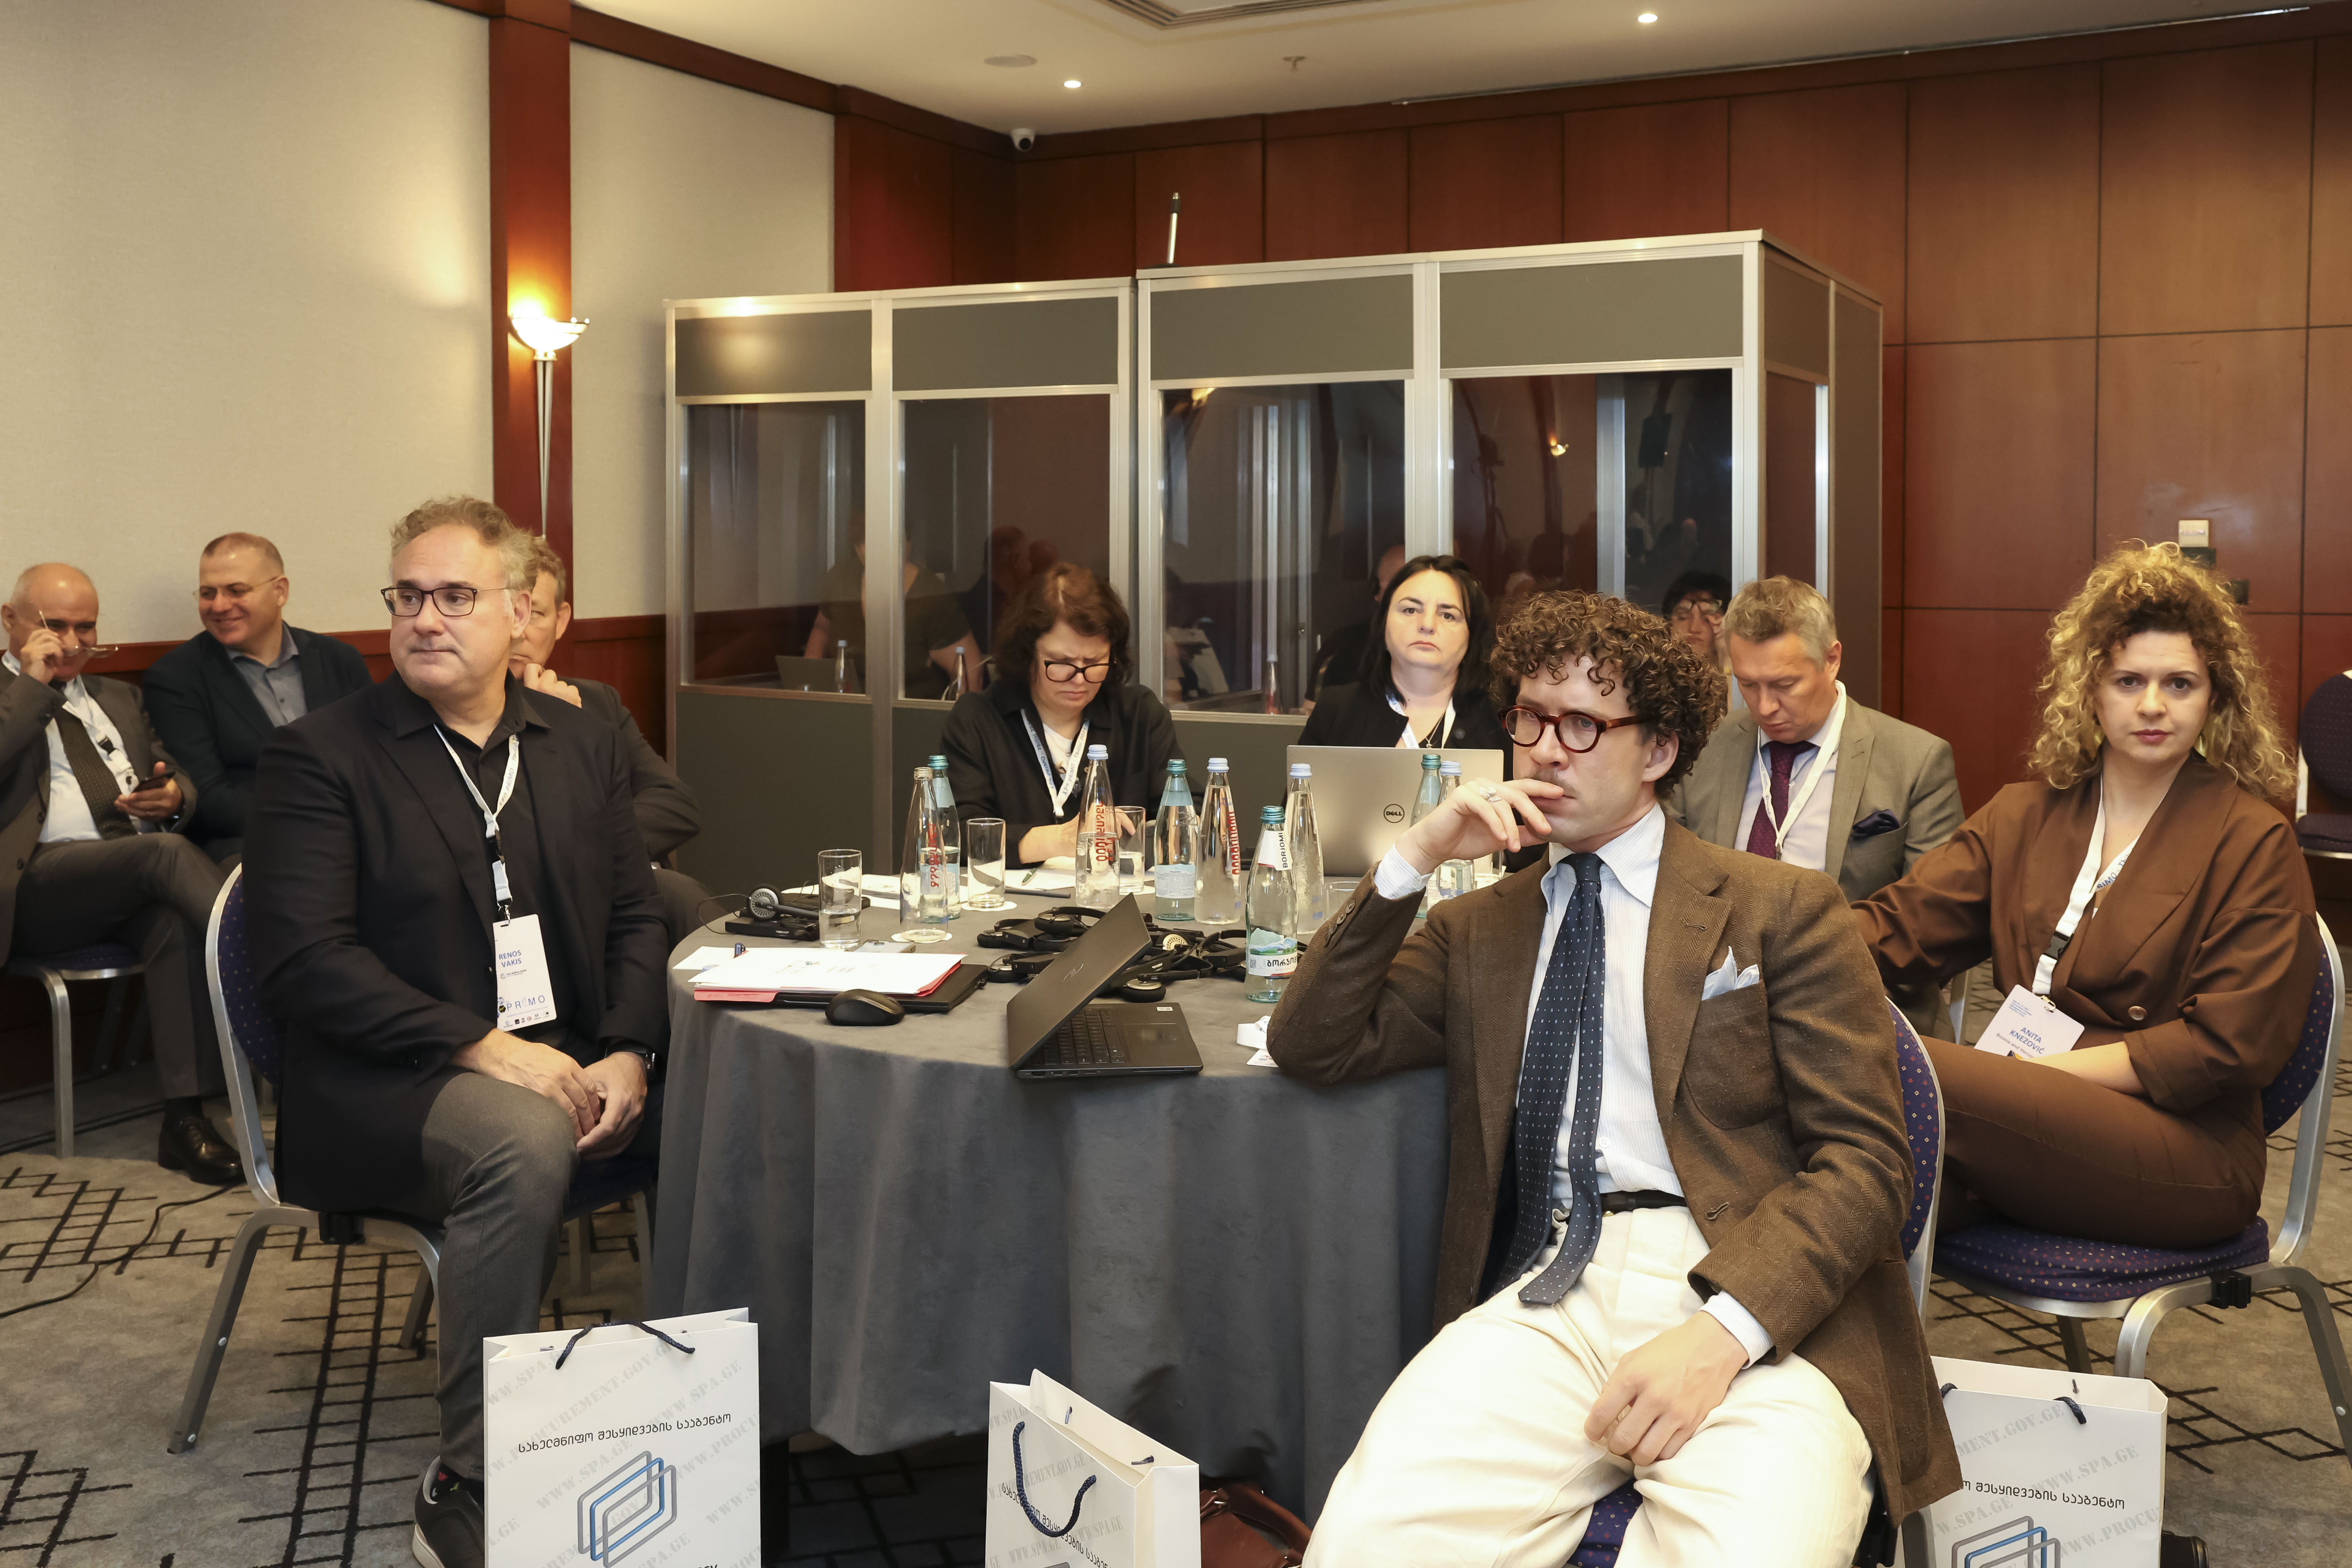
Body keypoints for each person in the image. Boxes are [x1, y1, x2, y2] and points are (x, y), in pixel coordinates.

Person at [1270, 589, 1957, 1565]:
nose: (1547, 750)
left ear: (1660, 750)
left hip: (1756, 1298)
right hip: (1547, 1286)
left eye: (1584, 724)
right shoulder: (1482, 928)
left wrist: (1726, 1331)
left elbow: (1868, 1164)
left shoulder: (1780, 906)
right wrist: (1415, 854)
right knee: (1365, 1542)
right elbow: (1311, 1041)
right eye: (1530, 718)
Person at [245, 497, 667, 1568]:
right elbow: (304, 962)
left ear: (521, 612)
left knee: (747, 1087)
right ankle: (473, 1473)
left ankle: (712, 1410)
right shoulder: (320, 756)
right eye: (408, 597)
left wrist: (630, 1049)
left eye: (455, 596)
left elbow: (636, 914)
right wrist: (484, 1047)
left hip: (566, 1049)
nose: (425, 619)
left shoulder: (580, 741)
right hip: (388, 1081)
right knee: (523, 1136)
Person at [1853, 543, 2317, 1249]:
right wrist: (1772, 945)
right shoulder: (2024, 814)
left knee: (1896, 1064)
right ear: (2090, 691)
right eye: (2129, 681)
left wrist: (2038, 1078)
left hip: (2185, 1148)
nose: (2153, 705)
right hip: (2025, 1116)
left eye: (2180, 684)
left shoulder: (2254, 840)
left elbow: (2226, 1048)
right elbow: (1897, 931)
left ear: (2216, 698)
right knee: (1852, 1184)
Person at [1, 564, 239, 1185]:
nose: (72, 643)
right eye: (55, 626)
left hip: (124, 877)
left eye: (86, 628)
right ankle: (279, 961)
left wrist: (173, 798)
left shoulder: (118, 697)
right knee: (164, 856)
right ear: (10, 621)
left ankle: (184, 1120)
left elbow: (174, 774)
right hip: (35, 892)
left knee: (172, 924)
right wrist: (32, 683)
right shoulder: (11, 696)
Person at [1670, 573, 1960, 908]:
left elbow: (1932, 913)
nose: (1764, 707)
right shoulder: (1704, 745)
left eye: (1784, 685)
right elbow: (1668, 880)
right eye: (1747, 685)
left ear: (1831, 660)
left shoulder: (1917, 763)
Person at [506, 537, 712, 946]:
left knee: (690, 905)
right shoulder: (467, 714)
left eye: (536, 614)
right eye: (509, 612)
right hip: (537, 909)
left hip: (629, 893)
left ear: (561, 621)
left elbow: (675, 806)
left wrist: (598, 848)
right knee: (678, 897)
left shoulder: (597, 700)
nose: (519, 632)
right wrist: (555, 727)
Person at [141, 532, 374, 865]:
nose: (219, 606)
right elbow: (204, 794)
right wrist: (313, 823)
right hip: (251, 843)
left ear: (280, 591)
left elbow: (375, 759)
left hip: (359, 828)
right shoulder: (176, 677)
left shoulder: (340, 660)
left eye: (236, 591)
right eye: (208, 593)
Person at [942, 563, 1180, 868]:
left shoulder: (1139, 715)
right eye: (1061, 662)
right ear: (1027, 654)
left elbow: (1189, 814)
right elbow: (957, 835)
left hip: (1113, 891)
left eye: (1094, 662)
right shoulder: (978, 720)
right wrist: (1059, 839)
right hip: (1011, 897)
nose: (1079, 679)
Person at [1297, 554, 1512, 753]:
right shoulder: (1336, 711)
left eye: (1448, 615)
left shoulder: (1503, 720)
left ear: (1471, 635)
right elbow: (1300, 785)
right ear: (1383, 624)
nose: (1427, 625)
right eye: (1410, 610)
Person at [800, 521, 983, 699]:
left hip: (911, 712)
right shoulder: (841, 581)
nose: (884, 551)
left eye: (893, 541)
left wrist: (959, 717)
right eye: (871, 542)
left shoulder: (931, 596)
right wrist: (809, 693)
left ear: (908, 546)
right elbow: (822, 629)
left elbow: (970, 671)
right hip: (848, 709)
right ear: (859, 549)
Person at [1310, 542, 1407, 702]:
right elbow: (1312, 710)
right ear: (1376, 589)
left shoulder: (1438, 644)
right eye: (1399, 584)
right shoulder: (1343, 647)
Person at [1660, 568, 1740, 714]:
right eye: (1683, 617)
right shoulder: (1657, 681)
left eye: (1707, 619)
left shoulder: (1744, 678)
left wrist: (1727, 657)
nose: (1694, 628)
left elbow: (1735, 724)